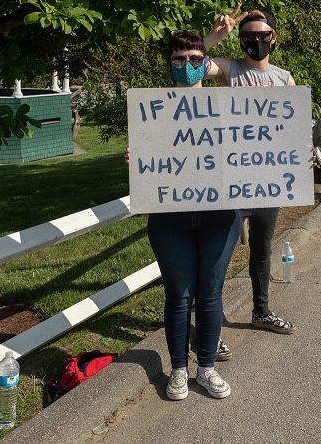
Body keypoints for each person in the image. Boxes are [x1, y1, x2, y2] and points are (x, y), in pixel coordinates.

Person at [129, 30, 240, 401]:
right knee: (178, 295)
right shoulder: (150, 109)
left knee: (209, 294)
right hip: (170, 218)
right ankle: (178, 369)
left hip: (218, 218)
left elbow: (255, 152)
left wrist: (284, 160)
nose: (188, 66)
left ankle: (206, 368)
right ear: (169, 64)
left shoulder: (229, 108)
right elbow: (149, 163)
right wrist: (136, 160)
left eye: (196, 60)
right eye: (180, 60)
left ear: (205, 64)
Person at [204, 5, 297, 335]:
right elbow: (191, 69)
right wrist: (216, 36)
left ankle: (261, 310)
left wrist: (303, 156)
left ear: (274, 39)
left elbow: (293, 127)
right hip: (233, 177)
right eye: (248, 37)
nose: (255, 41)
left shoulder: (284, 78)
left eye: (261, 36)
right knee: (219, 253)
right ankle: (209, 327)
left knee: (262, 248)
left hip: (268, 180)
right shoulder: (231, 69)